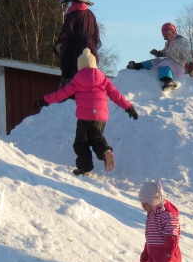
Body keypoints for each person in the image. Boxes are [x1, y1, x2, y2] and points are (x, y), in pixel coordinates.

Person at [33, 48, 138, 176]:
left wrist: (44, 100)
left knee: (81, 143)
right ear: (94, 65)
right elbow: (116, 95)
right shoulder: (104, 79)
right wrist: (129, 108)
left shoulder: (77, 80)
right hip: (100, 117)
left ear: (80, 66)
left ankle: (85, 168)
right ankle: (105, 152)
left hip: (84, 116)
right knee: (97, 139)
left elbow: (62, 94)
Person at [53, 0, 101, 87]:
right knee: (89, 77)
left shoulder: (73, 15)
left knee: (73, 77)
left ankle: (71, 97)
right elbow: (97, 37)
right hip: (90, 52)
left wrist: (59, 44)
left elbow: (67, 31)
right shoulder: (90, 14)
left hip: (75, 52)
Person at [127, 23, 192, 91]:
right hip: (170, 60)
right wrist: (158, 53)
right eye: (168, 34)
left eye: (172, 32)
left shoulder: (181, 42)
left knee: (164, 66)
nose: (171, 35)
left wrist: (191, 64)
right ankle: (137, 65)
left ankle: (168, 81)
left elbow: (187, 53)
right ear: (165, 36)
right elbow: (166, 52)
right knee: (155, 61)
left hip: (179, 65)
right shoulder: (168, 43)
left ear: (175, 31)